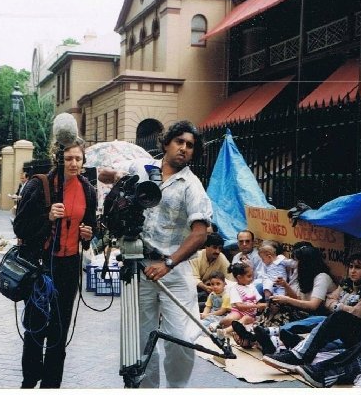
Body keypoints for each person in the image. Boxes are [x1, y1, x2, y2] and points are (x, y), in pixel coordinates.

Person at [101, 120, 213, 388]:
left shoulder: (191, 185)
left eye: (190, 146)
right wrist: (118, 180)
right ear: (166, 143)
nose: (184, 149)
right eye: (179, 142)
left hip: (175, 268)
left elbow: (200, 234)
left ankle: (175, 391)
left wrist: (169, 263)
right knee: (141, 338)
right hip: (138, 265)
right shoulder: (142, 168)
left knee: (183, 338)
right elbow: (107, 176)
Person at [13, 138, 97, 389]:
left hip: (69, 266)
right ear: (59, 159)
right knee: (36, 325)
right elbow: (20, 226)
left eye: (78, 159)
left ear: (83, 161)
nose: (73, 163)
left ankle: (51, 384)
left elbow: (92, 227)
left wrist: (88, 234)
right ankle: (30, 379)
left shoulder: (88, 190)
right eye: (68, 158)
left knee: (60, 329)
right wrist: (47, 217)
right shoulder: (40, 185)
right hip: (41, 266)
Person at [261, 260, 361, 373]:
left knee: (333, 322)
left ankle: (293, 349)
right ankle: (286, 345)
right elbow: (329, 301)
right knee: (329, 323)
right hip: (356, 329)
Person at [190, 232, 231, 311]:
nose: (217, 251)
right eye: (214, 247)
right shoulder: (196, 256)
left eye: (220, 248)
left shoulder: (221, 257)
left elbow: (229, 277)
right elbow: (193, 277)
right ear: (206, 246)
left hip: (212, 291)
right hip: (194, 289)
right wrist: (205, 287)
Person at [219, 262, 265, 330]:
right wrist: (256, 306)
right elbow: (239, 306)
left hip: (250, 315)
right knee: (229, 319)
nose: (251, 278)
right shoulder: (234, 288)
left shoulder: (252, 286)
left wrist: (263, 305)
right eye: (249, 276)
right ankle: (218, 324)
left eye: (252, 276)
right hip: (238, 312)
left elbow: (258, 302)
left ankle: (226, 331)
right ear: (239, 277)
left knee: (245, 319)